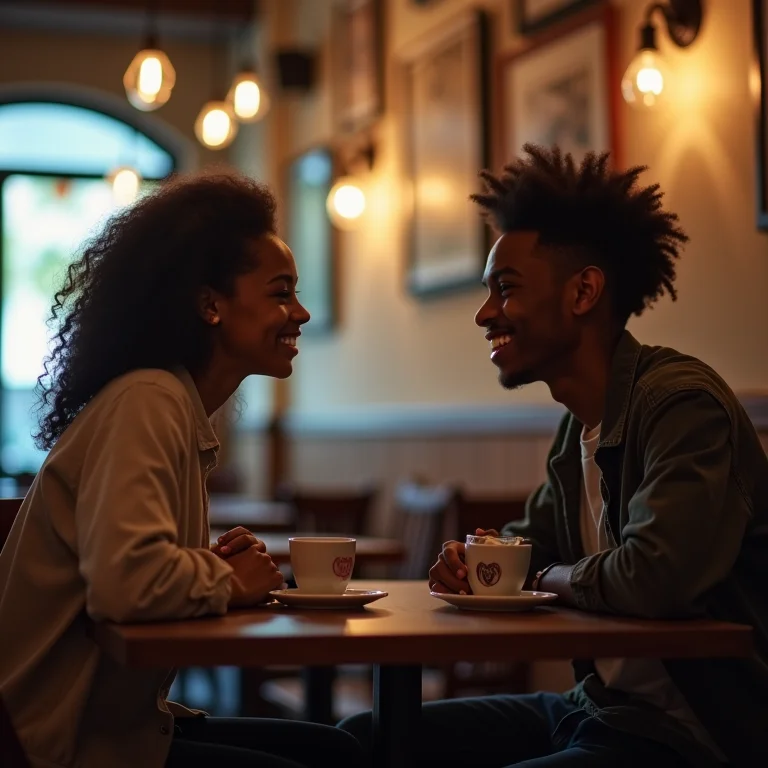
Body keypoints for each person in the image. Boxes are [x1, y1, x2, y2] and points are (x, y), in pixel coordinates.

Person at [339, 145, 768, 767]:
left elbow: (654, 577)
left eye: (506, 289)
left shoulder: (682, 406)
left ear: (583, 291)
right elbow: (526, 548)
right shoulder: (579, 429)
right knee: (364, 736)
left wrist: (543, 579)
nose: (485, 314)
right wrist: (471, 562)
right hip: (597, 708)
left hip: (694, 735)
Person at [0, 172, 363, 768]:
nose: (300, 312)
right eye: (281, 293)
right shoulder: (148, 400)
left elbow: (128, 570)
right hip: (59, 744)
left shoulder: (168, 401)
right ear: (210, 305)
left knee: (337, 750)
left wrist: (206, 568)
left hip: (121, 728)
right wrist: (227, 580)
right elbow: (126, 583)